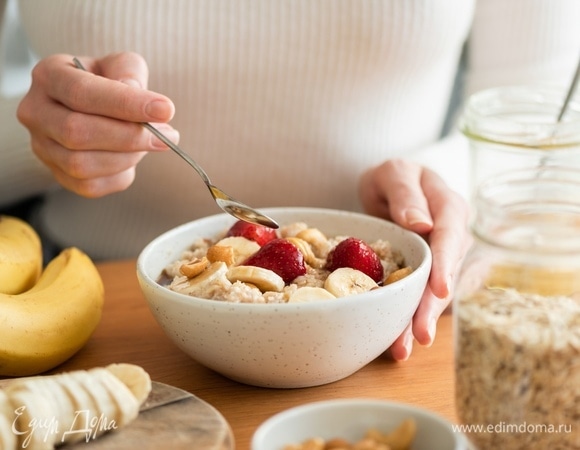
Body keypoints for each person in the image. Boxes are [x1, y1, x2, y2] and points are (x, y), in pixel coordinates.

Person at [2, 0, 579, 361]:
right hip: (89, 309)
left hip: (384, 321)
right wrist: (39, 138)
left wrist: (439, 183)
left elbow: (548, 113)